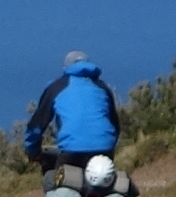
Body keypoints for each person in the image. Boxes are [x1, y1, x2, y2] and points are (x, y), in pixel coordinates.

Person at [21, 51, 122, 183]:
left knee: (60, 189)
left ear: (66, 67)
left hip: (71, 150)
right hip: (104, 149)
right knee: (102, 187)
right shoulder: (103, 87)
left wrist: (33, 150)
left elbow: (37, 125)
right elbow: (115, 124)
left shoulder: (56, 87)